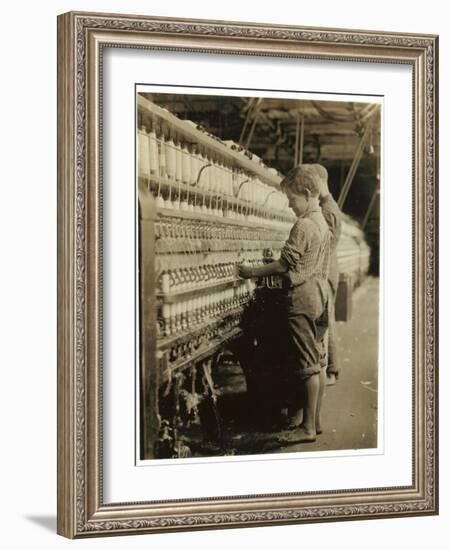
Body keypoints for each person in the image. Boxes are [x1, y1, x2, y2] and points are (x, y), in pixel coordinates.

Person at [238, 165, 331, 443]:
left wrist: (252, 271)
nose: (290, 205)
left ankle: (307, 429)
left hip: (301, 299)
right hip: (319, 294)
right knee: (317, 360)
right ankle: (315, 420)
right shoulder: (321, 222)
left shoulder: (303, 225)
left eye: (292, 199)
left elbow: (284, 264)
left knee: (306, 366)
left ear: (306, 193)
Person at [311, 164, 342, 385]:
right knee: (326, 319)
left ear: (320, 183)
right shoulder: (326, 205)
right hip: (327, 269)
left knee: (326, 320)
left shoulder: (327, 208)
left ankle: (331, 370)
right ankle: (330, 368)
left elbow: (326, 242)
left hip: (327, 270)